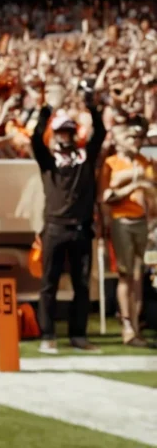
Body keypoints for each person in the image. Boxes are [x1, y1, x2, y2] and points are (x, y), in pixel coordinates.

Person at [32, 83, 105, 353]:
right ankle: (47, 335)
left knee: (82, 285)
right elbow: (34, 138)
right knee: (48, 284)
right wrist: (48, 109)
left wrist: (92, 106)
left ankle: (78, 335)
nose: (64, 135)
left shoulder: (86, 157)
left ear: (74, 133)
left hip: (82, 228)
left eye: (68, 131)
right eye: (60, 131)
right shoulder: (48, 160)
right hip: (54, 227)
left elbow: (101, 134)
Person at [99, 118, 153, 348]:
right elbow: (106, 196)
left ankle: (136, 325)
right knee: (125, 273)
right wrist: (132, 183)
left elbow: (151, 187)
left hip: (143, 221)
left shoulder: (145, 161)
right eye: (131, 137)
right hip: (121, 221)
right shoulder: (111, 163)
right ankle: (127, 324)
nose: (136, 141)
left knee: (140, 275)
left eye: (138, 137)